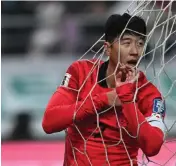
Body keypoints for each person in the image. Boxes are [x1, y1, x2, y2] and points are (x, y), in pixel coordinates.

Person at [42, 13, 166, 166]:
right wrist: (105, 99)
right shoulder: (80, 72)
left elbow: (153, 147)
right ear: (107, 48)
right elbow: (49, 122)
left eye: (140, 44)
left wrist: (127, 100)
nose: (135, 51)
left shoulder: (149, 94)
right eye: (127, 43)